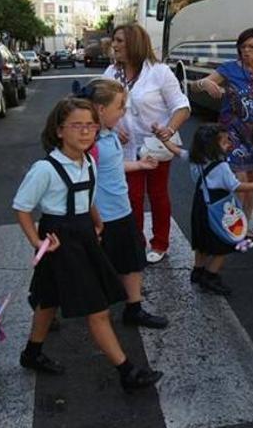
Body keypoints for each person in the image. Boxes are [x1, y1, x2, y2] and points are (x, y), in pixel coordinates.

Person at [13, 98, 162, 391]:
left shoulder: (89, 161)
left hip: (83, 232)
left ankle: (31, 353)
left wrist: (97, 221)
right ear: (59, 131)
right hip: (59, 238)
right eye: (76, 126)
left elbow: (88, 196)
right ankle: (127, 371)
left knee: (48, 298)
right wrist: (37, 240)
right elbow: (22, 207)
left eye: (90, 126)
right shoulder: (45, 169)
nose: (85, 132)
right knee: (98, 309)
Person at [79, 77, 169, 329]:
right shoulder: (89, 141)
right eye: (120, 107)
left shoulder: (108, 134)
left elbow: (112, 167)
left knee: (132, 259)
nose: (123, 112)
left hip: (122, 211)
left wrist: (139, 165)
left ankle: (134, 308)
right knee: (89, 267)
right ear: (100, 109)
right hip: (102, 217)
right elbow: (81, 179)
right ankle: (54, 307)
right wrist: (92, 217)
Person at [105, 23, 191, 264]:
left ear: (134, 42)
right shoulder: (111, 73)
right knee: (131, 197)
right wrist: (111, 126)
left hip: (155, 146)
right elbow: (96, 105)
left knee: (157, 194)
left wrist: (170, 129)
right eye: (115, 40)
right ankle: (136, 243)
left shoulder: (159, 72)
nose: (115, 45)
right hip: (126, 149)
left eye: (120, 40)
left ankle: (160, 242)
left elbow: (181, 106)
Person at [191, 28, 253, 232]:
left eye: (251, 46)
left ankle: (245, 223)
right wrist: (205, 83)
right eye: (243, 46)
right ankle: (235, 224)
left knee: (252, 182)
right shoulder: (229, 69)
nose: (246, 50)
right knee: (240, 180)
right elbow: (194, 87)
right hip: (232, 134)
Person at [186, 124, 253, 296]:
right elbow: (236, 186)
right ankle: (210, 277)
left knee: (202, 242)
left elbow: (177, 151)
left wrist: (165, 140)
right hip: (218, 207)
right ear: (212, 146)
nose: (229, 144)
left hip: (201, 205)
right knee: (224, 243)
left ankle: (198, 271)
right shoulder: (222, 167)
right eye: (224, 142)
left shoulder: (196, 158)